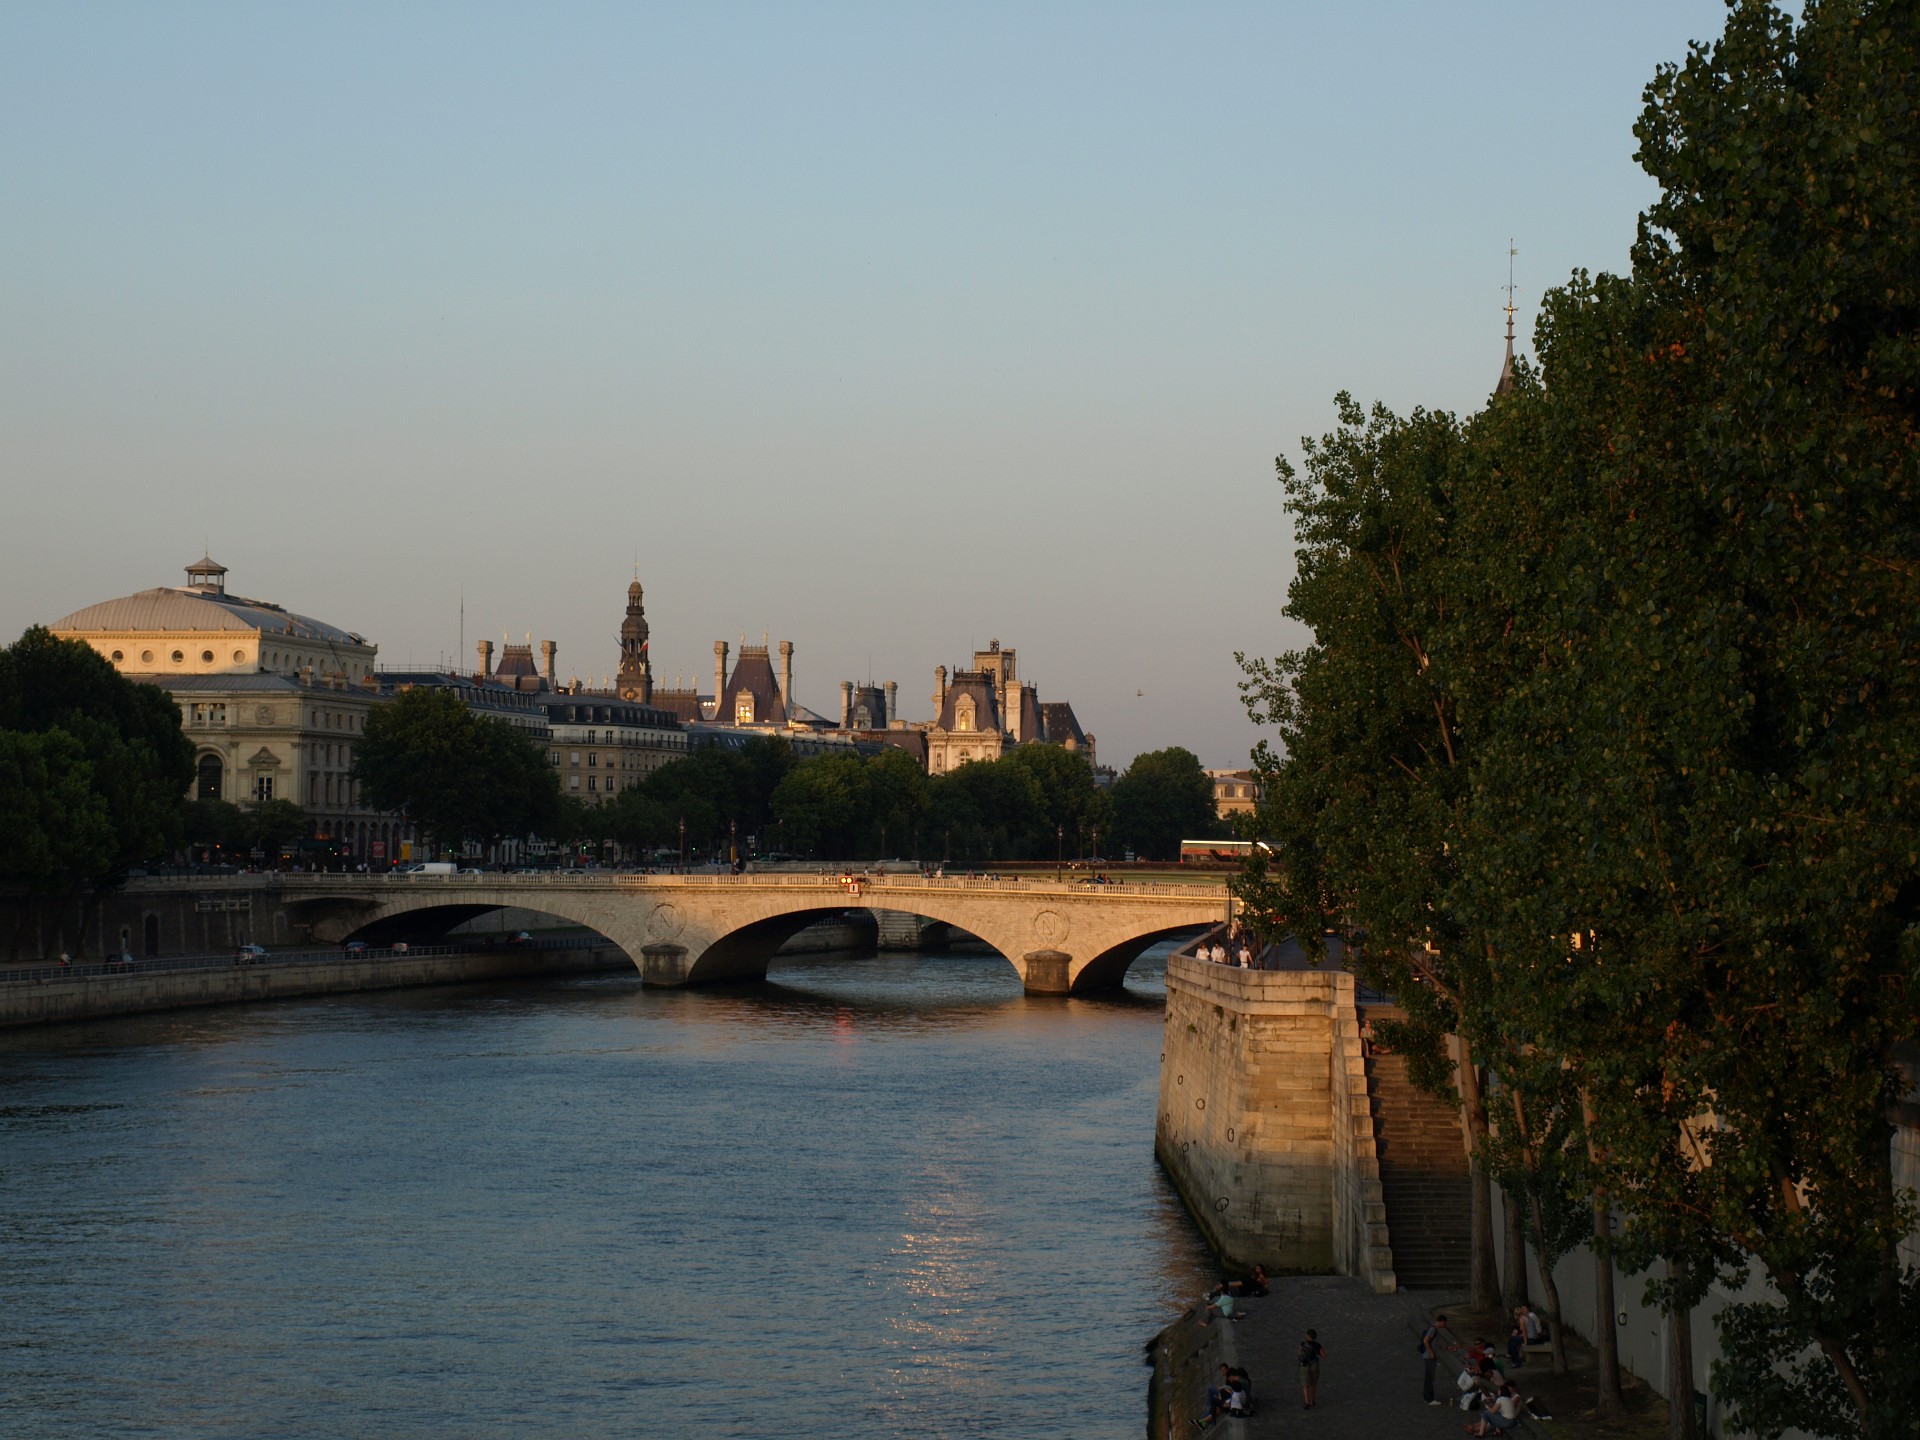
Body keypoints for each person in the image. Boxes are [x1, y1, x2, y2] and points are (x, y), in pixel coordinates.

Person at [1421, 1314, 1450, 1405]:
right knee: (1430, 1377)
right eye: (1444, 1323)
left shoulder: (1434, 1329)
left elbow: (1436, 1344)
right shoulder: (1433, 1329)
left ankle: (1427, 1397)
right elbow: (1426, 1341)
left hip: (1428, 1356)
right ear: (1441, 1322)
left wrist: (1446, 1348)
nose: (1444, 1325)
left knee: (1428, 1377)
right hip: (1429, 1357)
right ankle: (1430, 1399)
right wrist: (1431, 1352)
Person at [1298, 1328, 1325, 1409]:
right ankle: (1312, 1400)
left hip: (1305, 1365)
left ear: (1308, 1336)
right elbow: (1324, 1355)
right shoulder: (1317, 1344)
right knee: (1313, 1384)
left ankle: (1307, 1402)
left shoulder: (1303, 1344)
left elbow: (1299, 1353)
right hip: (1314, 1364)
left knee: (1305, 1384)